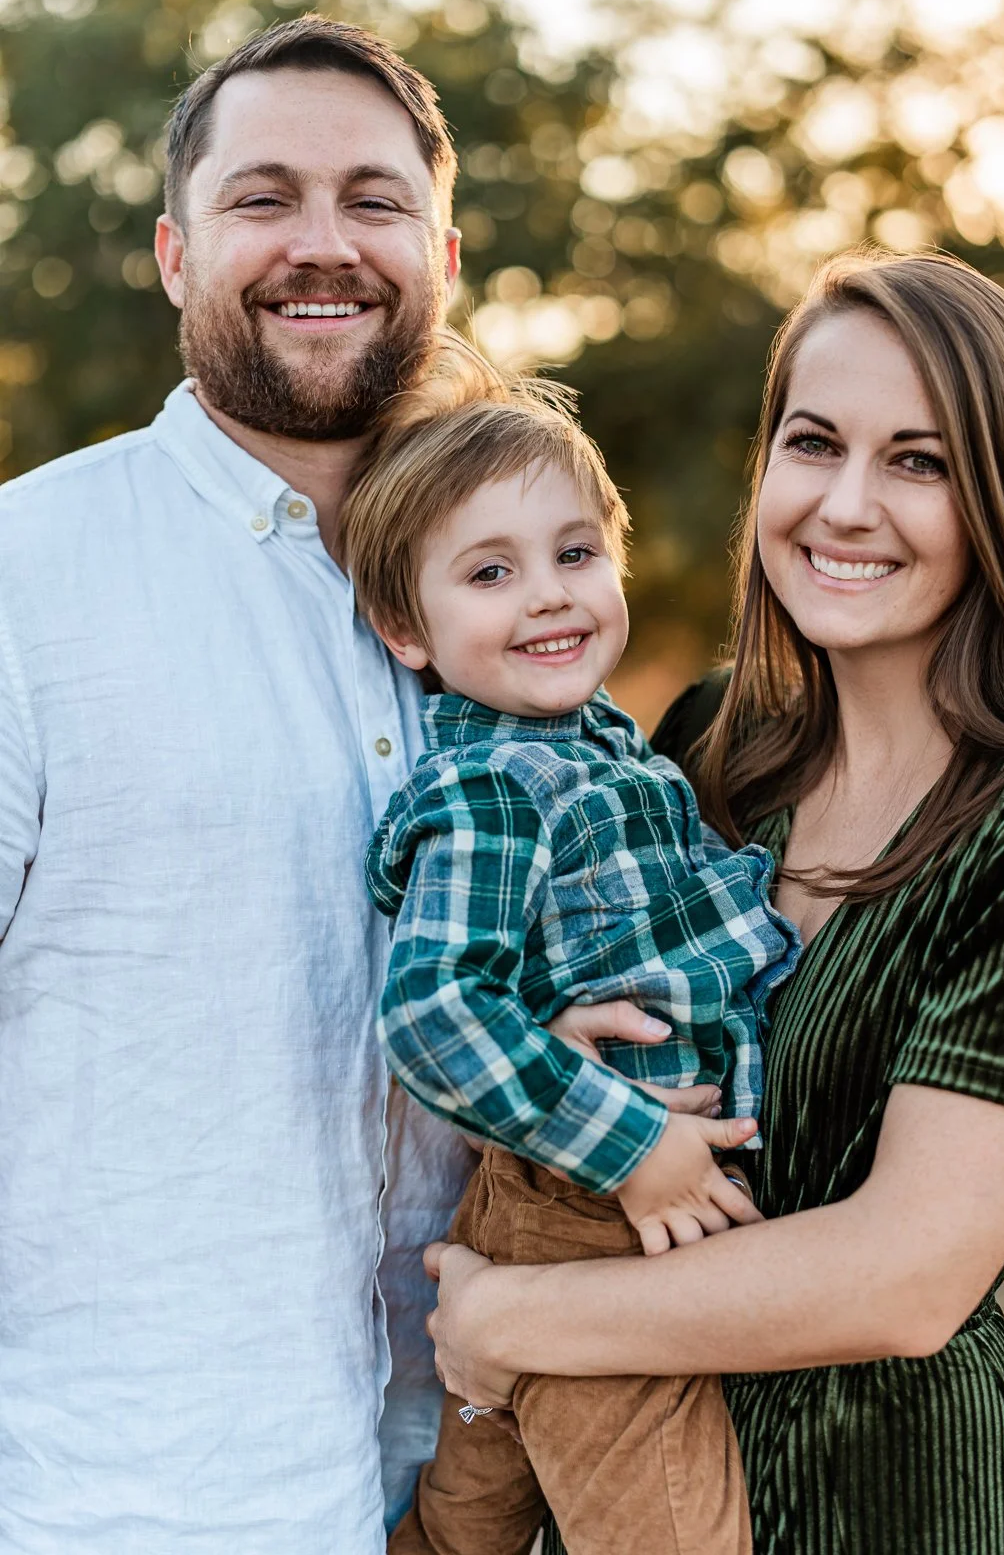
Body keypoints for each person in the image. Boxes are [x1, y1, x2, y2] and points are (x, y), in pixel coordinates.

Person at [417, 250, 1004, 1555]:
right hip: (623, 1485)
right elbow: (512, 1014)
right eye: (814, 443)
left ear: (1003, 503)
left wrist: (508, 1320)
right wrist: (561, 1057)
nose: (846, 505)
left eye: (920, 461)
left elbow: (908, 1275)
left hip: (896, 1509)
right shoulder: (700, 754)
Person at [0, 14, 478, 1553]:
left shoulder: (525, 620)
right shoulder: (28, 582)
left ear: (446, 254)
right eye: (264, 198)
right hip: (116, 1497)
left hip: (452, 1493)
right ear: (171, 252)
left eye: (374, 200)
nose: (321, 245)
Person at [340, 335, 799, 1555]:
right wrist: (639, 1146)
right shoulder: (497, 787)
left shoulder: (613, 749)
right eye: (489, 573)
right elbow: (433, 1010)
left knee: (468, 1518)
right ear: (406, 626)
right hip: (589, 1205)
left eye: (575, 554)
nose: (548, 593)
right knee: (667, 1527)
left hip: (584, 1197)